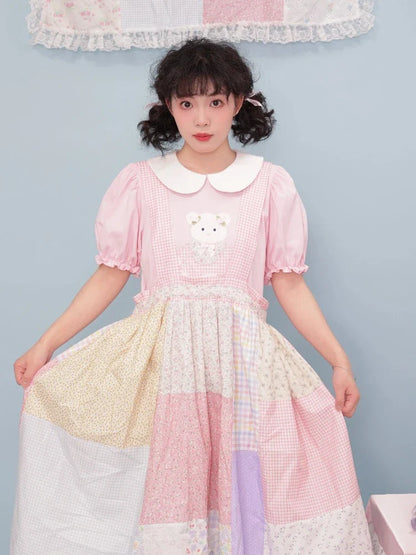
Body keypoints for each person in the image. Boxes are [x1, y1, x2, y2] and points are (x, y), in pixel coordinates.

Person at [11, 37, 376, 554]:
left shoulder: (269, 184)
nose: (201, 118)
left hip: (243, 366)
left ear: (238, 103)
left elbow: (289, 283)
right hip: (166, 367)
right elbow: (110, 274)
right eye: (186, 103)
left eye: (215, 101)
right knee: (167, 491)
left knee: (251, 493)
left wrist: (338, 360)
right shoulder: (141, 183)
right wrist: (45, 344)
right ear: (169, 107)